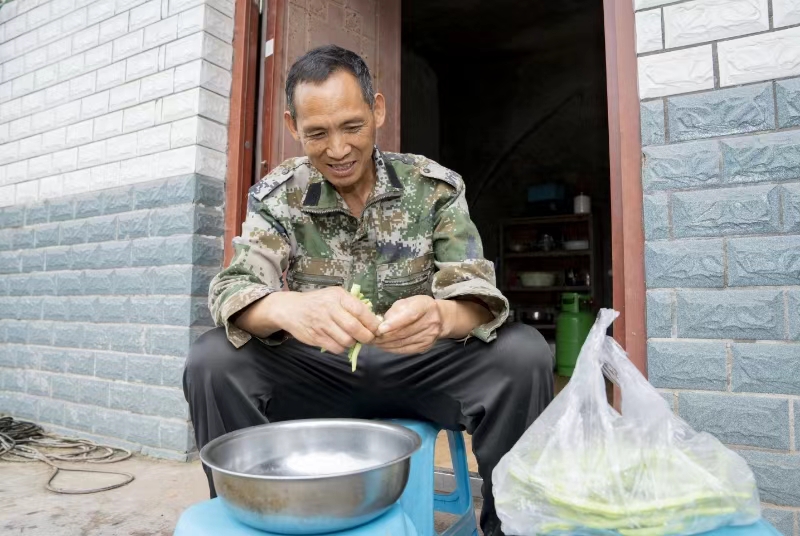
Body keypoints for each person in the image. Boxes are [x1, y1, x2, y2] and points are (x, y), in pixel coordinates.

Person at [183, 44, 553, 536]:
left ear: (377, 109)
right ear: (294, 127)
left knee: (523, 354)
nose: (337, 150)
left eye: (352, 126)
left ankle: (513, 528)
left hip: (421, 367)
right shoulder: (278, 195)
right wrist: (286, 307)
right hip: (318, 372)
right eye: (316, 133)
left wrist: (443, 317)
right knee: (213, 361)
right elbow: (233, 290)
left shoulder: (434, 187)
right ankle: (255, 518)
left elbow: (477, 293)